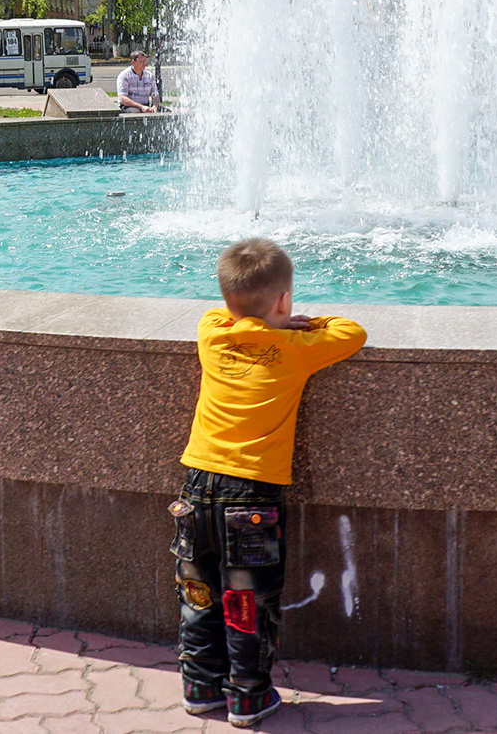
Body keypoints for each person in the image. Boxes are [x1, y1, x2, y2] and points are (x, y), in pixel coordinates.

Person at [172, 238, 366, 727]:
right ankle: (248, 697)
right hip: (251, 495)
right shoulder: (296, 348)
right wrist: (297, 324)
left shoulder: (212, 335)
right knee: (246, 603)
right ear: (283, 300)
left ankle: (199, 686)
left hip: (196, 487)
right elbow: (352, 332)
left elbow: (219, 314)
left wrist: (261, 318)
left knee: (198, 594)